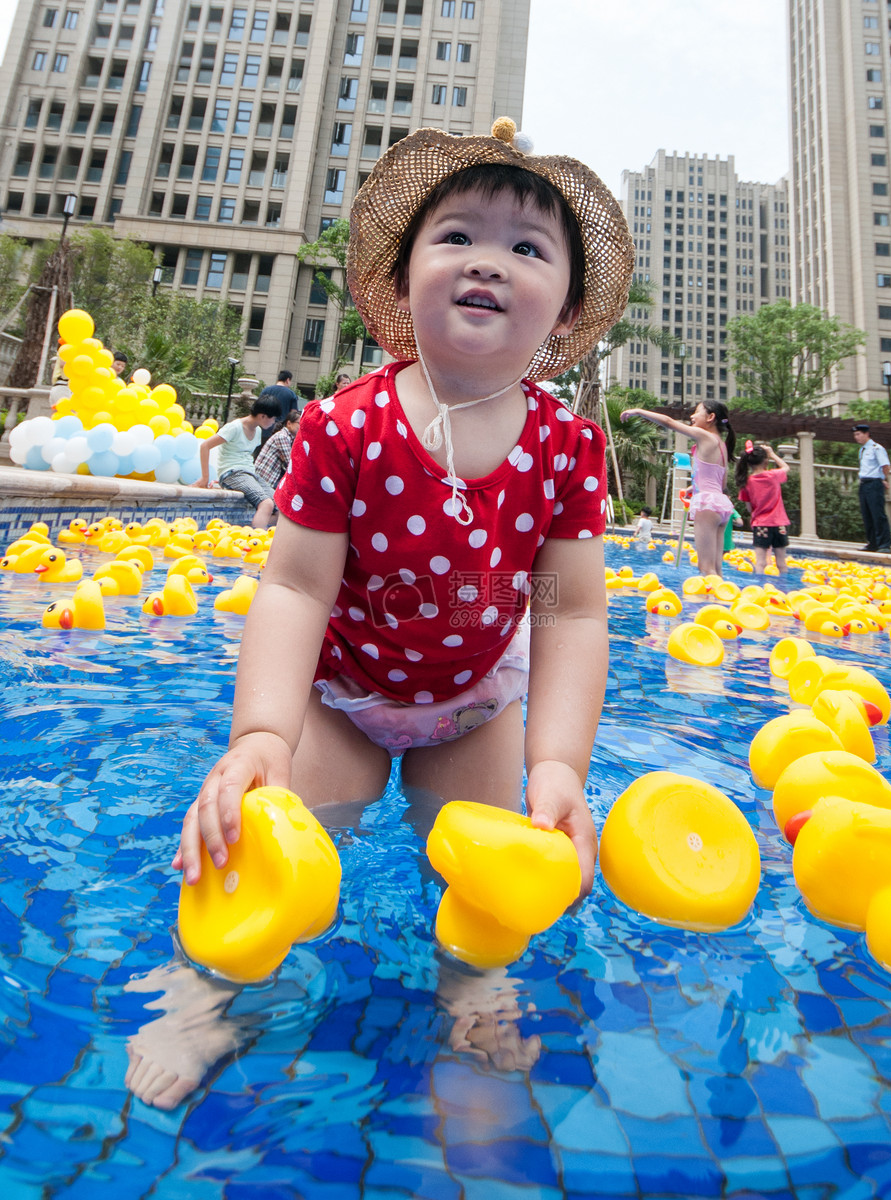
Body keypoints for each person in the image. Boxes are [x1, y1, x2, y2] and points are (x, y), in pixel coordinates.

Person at [125, 120, 635, 1108]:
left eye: (526, 248)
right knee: (271, 833)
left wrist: (560, 765)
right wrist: (263, 735)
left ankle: (473, 983)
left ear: (564, 311)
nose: (488, 261)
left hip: (472, 705)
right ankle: (210, 991)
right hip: (344, 696)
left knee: (491, 865)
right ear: (403, 285)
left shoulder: (567, 448)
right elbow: (295, 586)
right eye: (456, 237)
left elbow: (572, 613)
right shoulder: (348, 424)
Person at [619, 400, 735, 576]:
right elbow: (721, 483)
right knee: (717, 569)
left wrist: (639, 411)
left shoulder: (705, 436)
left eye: (697, 412)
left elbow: (669, 422)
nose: (692, 416)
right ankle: (723, 600)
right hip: (722, 506)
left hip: (707, 506)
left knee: (705, 568)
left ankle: (707, 603)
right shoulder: (722, 446)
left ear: (711, 417)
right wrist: (693, 487)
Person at [192, 398, 280, 528]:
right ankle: (255, 540)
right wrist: (204, 478)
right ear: (262, 416)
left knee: (281, 505)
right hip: (232, 473)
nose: (274, 422)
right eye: (273, 418)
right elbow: (205, 445)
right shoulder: (235, 427)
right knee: (266, 503)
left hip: (249, 473)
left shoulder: (258, 430)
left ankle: (258, 530)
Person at [735, 440, 791, 574]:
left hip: (761, 525)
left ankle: (761, 589)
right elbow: (786, 467)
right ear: (766, 461)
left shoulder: (746, 482)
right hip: (779, 524)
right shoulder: (773, 475)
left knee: (760, 563)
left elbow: (749, 509)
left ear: (748, 463)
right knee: (781, 563)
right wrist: (772, 454)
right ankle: (783, 591)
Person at [854, 423, 891, 553]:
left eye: (859, 434)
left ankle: (884, 545)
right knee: (867, 514)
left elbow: (886, 466)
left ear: (866, 434)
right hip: (864, 483)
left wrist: (881, 479)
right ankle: (873, 543)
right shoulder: (862, 450)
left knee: (877, 514)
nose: (856, 437)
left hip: (874, 483)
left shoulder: (877, 448)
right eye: (855, 434)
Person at [254, 408, 300, 490]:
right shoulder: (283, 436)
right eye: (299, 424)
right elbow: (291, 463)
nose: (301, 427)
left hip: (274, 477)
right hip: (267, 478)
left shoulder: (290, 438)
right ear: (289, 423)